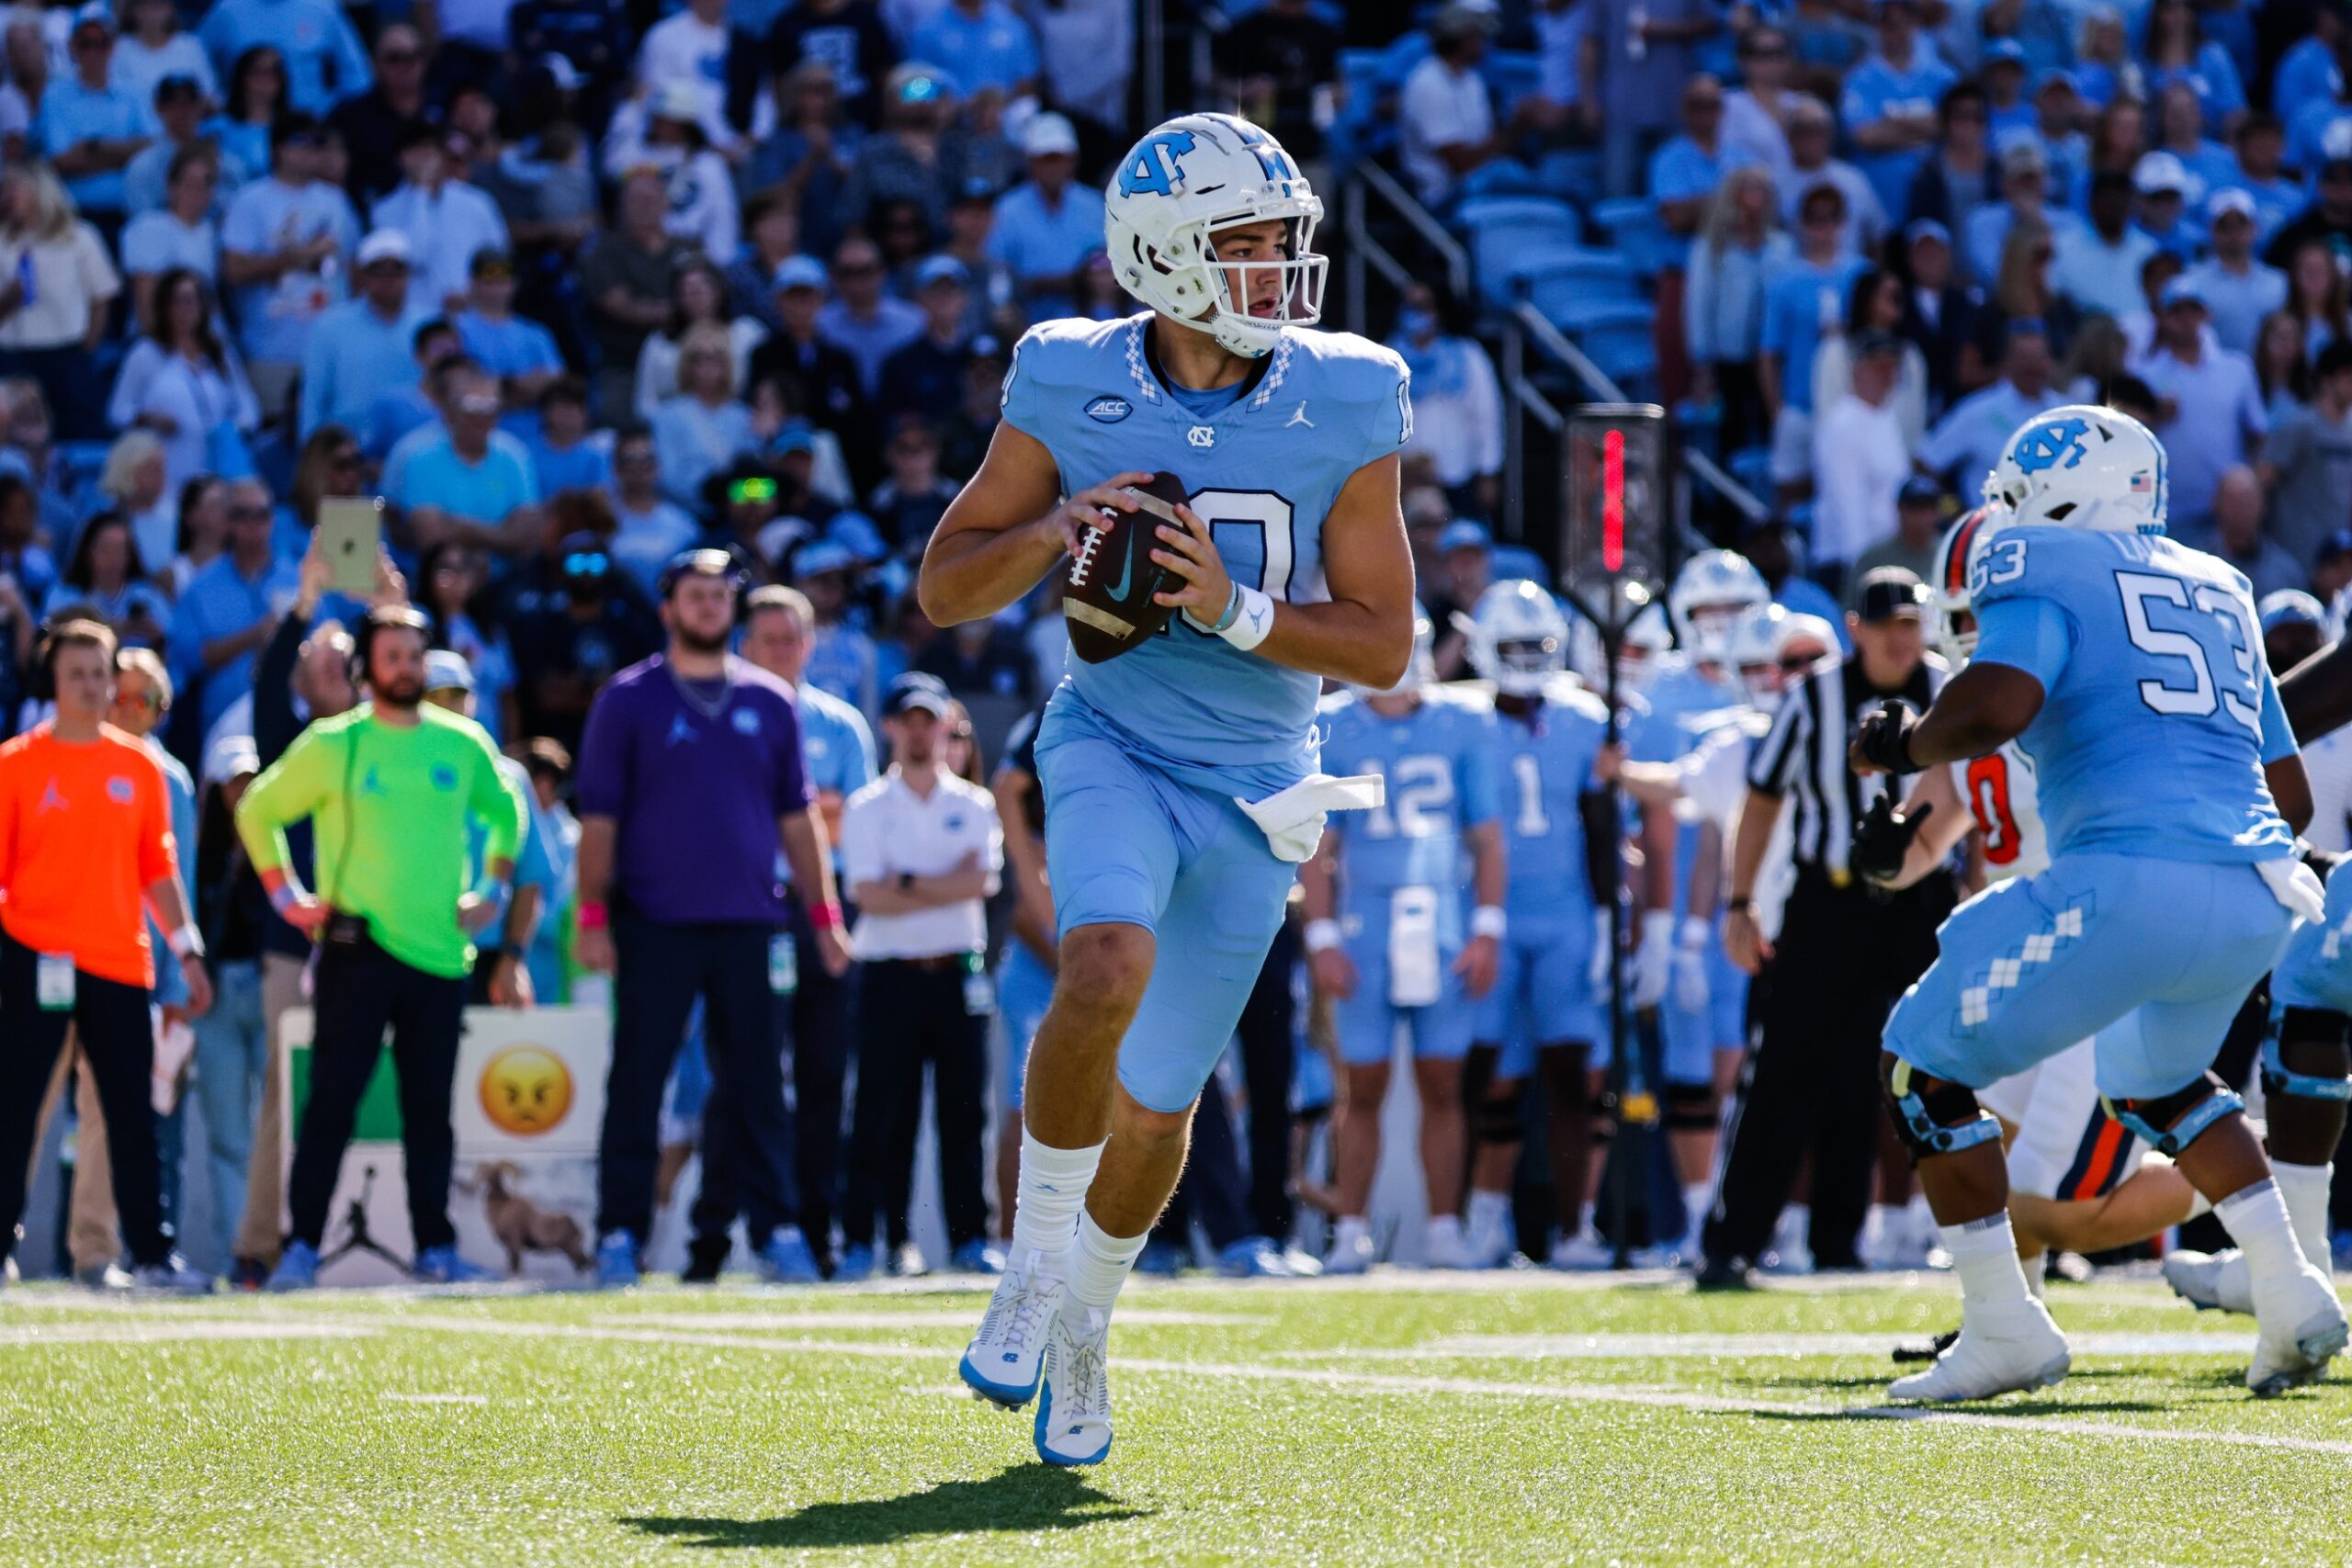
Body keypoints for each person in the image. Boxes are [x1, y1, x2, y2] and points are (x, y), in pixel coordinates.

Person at [925, 112, 1414, 1467]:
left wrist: (1239, 608)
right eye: (1247, 247)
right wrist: (1044, 532)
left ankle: (1086, 1316)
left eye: (1283, 243)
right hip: (1113, 740)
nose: (1279, 273)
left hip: (1263, 780)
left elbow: (1383, 643)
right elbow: (944, 584)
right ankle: (1030, 1264)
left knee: (1159, 1107)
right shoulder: (1069, 376)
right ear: (1166, 256)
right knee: (1099, 961)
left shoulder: (1350, 390)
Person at [1849, 403, 2345, 1401]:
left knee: (1919, 1062)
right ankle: (2292, 1289)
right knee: (2155, 1080)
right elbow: (2285, 794)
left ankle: (2001, 1326)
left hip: (2127, 882)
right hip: (2255, 890)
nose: (2009, 512)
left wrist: (1897, 746)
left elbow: (1997, 704)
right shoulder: (2218, 584)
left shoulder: (2038, 561)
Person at [571, 550, 852, 1287]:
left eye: (719, 595)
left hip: (751, 924)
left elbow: (800, 822)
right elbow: (597, 821)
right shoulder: (626, 699)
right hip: (652, 922)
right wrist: (592, 915)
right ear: (667, 609)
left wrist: (825, 916)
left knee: (760, 1084)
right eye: (693, 596)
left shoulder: (771, 701)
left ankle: (778, 1232)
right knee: (639, 1081)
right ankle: (619, 1236)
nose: (707, 606)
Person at [239, 604, 524, 1289]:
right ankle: (302, 1243)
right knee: (331, 1102)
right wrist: (288, 897)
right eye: (391, 655)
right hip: (357, 951)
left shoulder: (462, 742)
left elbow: (506, 811)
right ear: (367, 668)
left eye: (414, 654)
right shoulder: (336, 742)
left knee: (431, 1112)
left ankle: (437, 1247)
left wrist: (491, 891)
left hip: (439, 957)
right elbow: (257, 809)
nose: (406, 667)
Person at [1706, 569, 1954, 1285]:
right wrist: (1741, 899)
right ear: (1855, 630)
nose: (1900, 639)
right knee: (1788, 1066)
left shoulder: (1950, 691)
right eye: (1887, 626)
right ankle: (1734, 1239)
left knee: (1931, 1065)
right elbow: (1761, 799)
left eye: (1911, 624)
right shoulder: (1812, 697)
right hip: (1831, 897)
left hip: (1921, 899)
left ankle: (1858, 1239)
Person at [0, 619, 212, 1292]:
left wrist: (188, 948)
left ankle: (152, 1253)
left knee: (130, 1115)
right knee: (16, 1108)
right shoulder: (15, 764)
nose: (93, 686)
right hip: (34, 954)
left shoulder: (139, 764)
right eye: (78, 674)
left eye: (101, 672)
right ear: (52, 683)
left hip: (122, 961)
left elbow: (159, 867)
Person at [1305, 615, 1502, 1272]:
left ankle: (1445, 1227)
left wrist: (1486, 929)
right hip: (1366, 922)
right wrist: (1323, 934)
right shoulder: (1334, 722)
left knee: (1443, 1084)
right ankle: (1350, 1230)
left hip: (1443, 919)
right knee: (1360, 1086)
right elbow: (1320, 845)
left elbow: (1487, 837)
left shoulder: (1464, 721)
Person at [836, 675, 1004, 1277]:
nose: (918, 730)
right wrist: (938, 883)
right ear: (889, 727)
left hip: (957, 974)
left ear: (944, 724)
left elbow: (979, 883)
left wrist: (903, 880)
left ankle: (969, 1238)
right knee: (883, 1113)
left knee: (965, 1113)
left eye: (928, 719)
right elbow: (868, 895)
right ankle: (873, 1239)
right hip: (889, 975)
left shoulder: (974, 803)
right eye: (907, 718)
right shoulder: (866, 806)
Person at [738, 584, 873, 1275]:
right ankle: (737, 1230)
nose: (783, 650)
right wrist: (812, 810)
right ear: (745, 646)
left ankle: (818, 1230)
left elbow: (858, 819)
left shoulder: (842, 724)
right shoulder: (726, 716)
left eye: (794, 637)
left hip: (827, 907)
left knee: (825, 1074)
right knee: (749, 1071)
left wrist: (793, 812)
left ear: (810, 643)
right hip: (750, 908)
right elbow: (756, 817)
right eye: (769, 639)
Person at [219, 114, 360, 421]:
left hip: (328, 349)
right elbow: (234, 270)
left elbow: (354, 270)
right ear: (278, 149)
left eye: (316, 143)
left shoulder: (336, 200)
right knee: (274, 437)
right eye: (301, 141)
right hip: (270, 349)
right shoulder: (251, 200)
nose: (310, 149)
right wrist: (299, 257)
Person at [2132, 276, 2267, 526]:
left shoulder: (2238, 368)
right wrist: (2154, 417)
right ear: (2161, 317)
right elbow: (2132, 444)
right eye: (2176, 311)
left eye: (2193, 309)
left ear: (2206, 314)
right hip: (2169, 513)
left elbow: (2258, 434)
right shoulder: (2145, 375)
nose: (2185, 319)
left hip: (2227, 514)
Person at [168, 478, 298, 732]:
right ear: (227, 521)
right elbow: (189, 658)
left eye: (261, 515)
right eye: (241, 514)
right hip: (222, 727)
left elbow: (325, 638)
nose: (252, 524)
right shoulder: (201, 587)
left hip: (290, 722)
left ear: (272, 521)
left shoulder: (299, 578)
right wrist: (255, 635)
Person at [987, 112, 1105, 325]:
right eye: (1045, 159)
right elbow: (997, 272)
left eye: (1058, 158)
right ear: (1029, 161)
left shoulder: (1094, 205)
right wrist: (1054, 284)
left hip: (1091, 316)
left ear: (1073, 159)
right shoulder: (1007, 209)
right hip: (1028, 316)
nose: (1053, 167)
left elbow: (1109, 266)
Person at [2257, 339, 2352, 573]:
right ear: (2326, 380)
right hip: (2296, 555)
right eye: (2348, 375)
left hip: (2339, 558)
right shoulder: (2299, 426)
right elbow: (2263, 480)